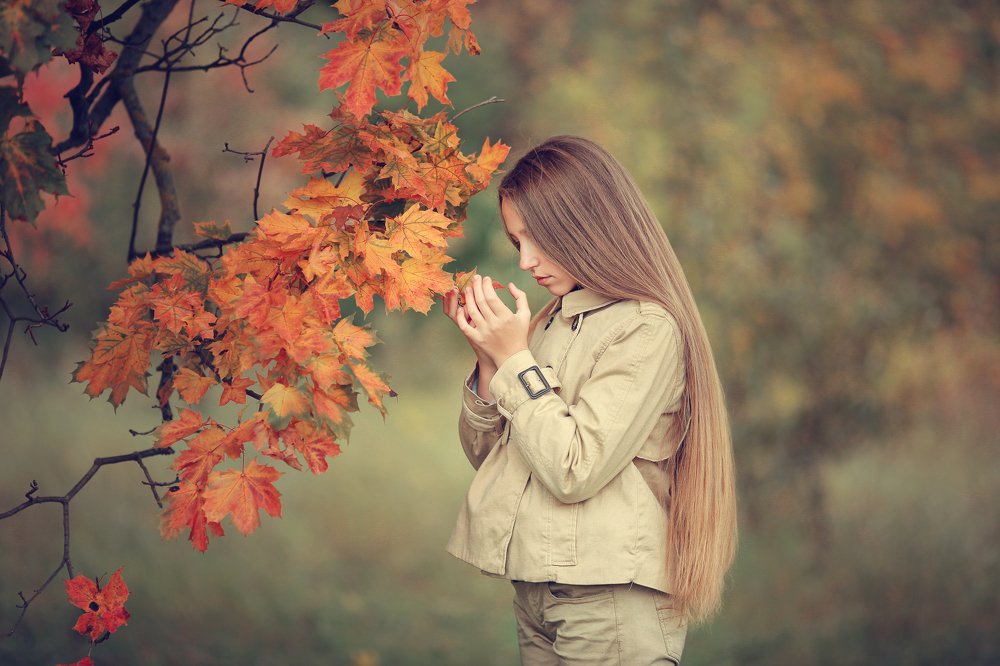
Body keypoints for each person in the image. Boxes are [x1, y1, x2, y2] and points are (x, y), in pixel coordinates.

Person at [441, 135, 737, 665]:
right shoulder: (552, 321)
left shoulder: (646, 327)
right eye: (516, 243)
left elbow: (574, 466)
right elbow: (494, 458)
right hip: (538, 589)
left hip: (607, 596)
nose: (527, 261)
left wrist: (515, 361)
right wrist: (490, 358)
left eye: (538, 239)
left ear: (583, 227)